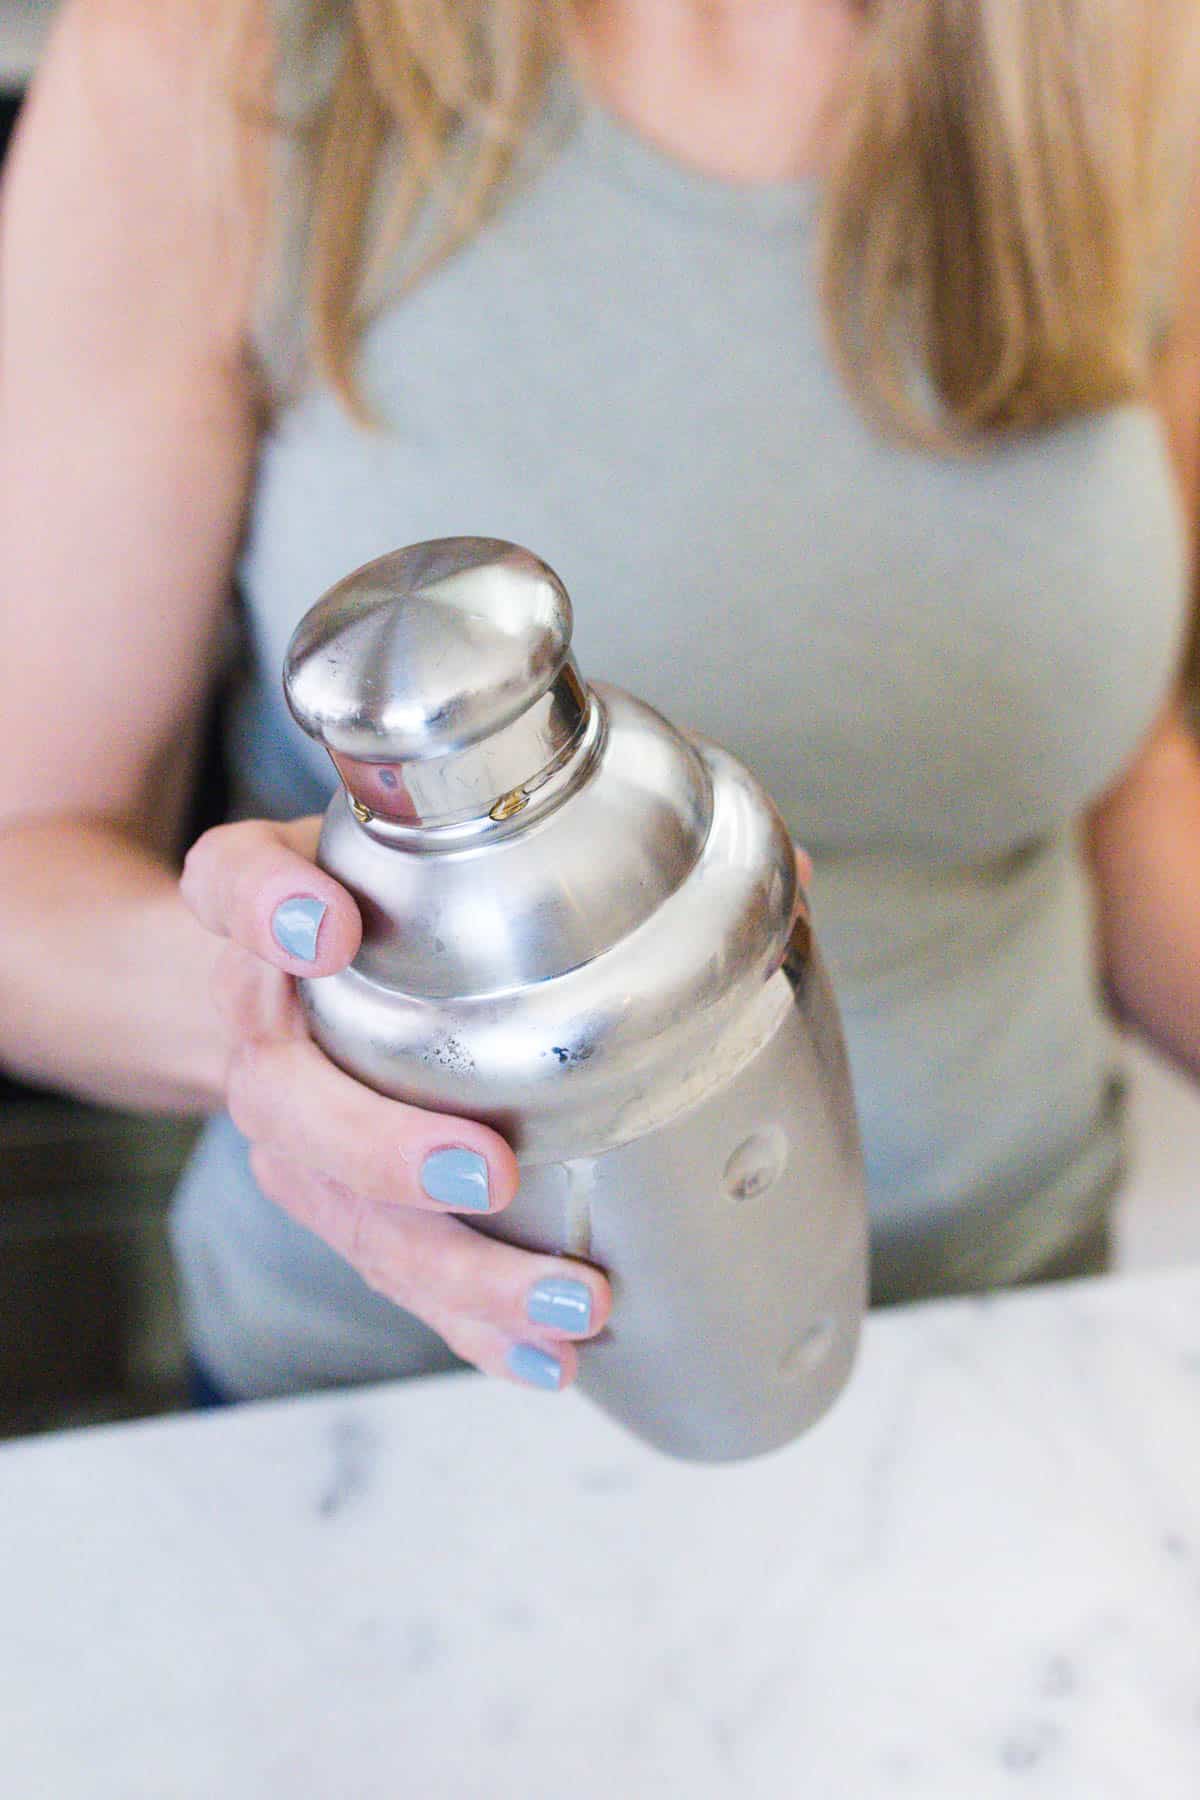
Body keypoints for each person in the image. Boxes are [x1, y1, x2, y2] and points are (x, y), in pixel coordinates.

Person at [1, 0, 1198, 1406]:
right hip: (420, 1389)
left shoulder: (1123, 47)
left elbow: (1106, 759)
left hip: (1006, 1329)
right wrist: (290, 1034)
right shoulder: (217, 49)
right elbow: (27, 866)